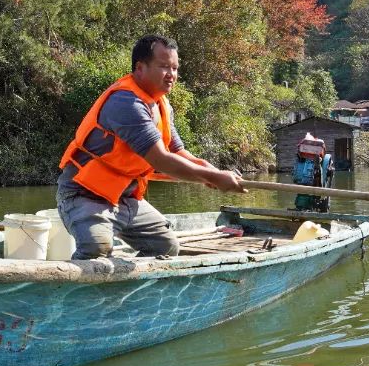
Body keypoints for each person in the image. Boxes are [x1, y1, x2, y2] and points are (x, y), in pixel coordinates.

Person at [56, 35, 246, 260]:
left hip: (126, 197)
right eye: (164, 66)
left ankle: (132, 289)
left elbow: (178, 152)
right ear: (140, 68)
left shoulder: (161, 104)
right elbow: (162, 160)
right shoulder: (127, 103)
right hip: (85, 195)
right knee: (96, 249)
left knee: (165, 248)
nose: (172, 75)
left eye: (175, 68)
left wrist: (213, 173)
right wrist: (213, 178)